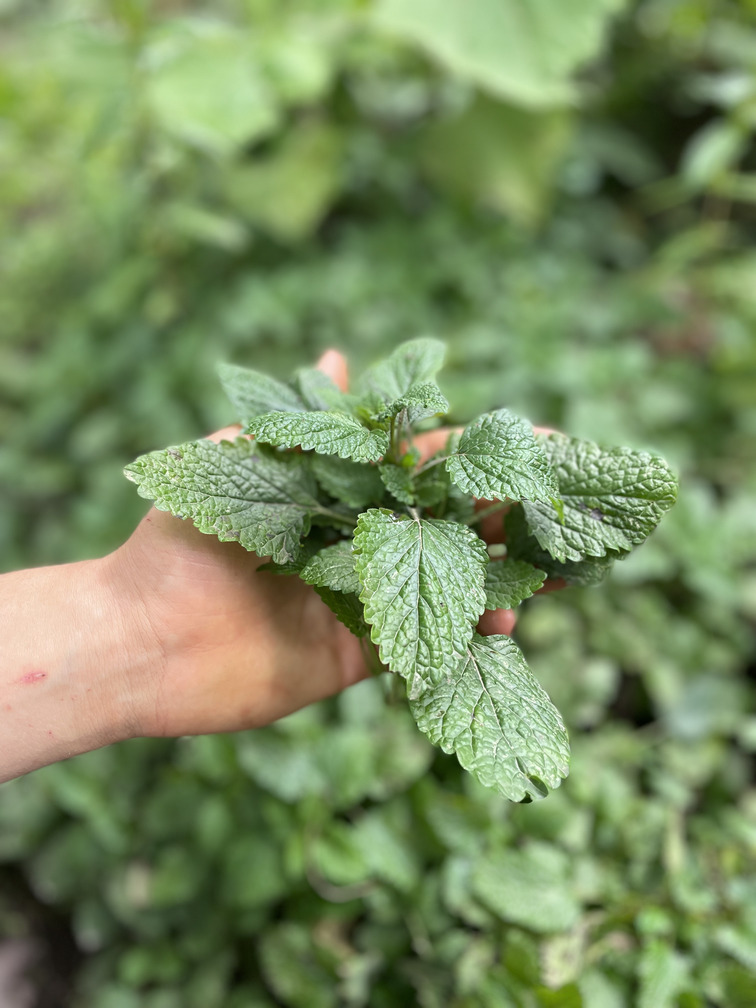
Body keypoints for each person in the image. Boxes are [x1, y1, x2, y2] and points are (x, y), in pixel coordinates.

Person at [0, 351, 536, 785]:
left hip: (394, 552)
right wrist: (135, 620)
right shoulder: (363, 484)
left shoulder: (424, 494)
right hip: (364, 554)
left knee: (519, 525)